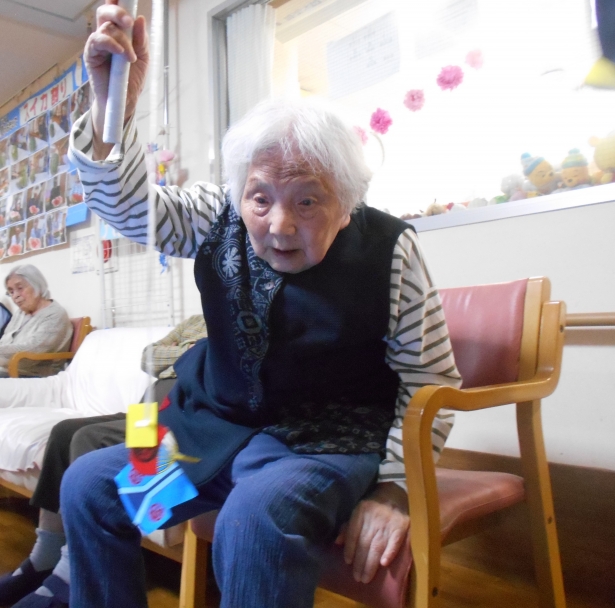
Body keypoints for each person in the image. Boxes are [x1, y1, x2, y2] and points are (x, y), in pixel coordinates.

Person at [58, 3, 462, 608]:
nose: (278, 224)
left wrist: (396, 486)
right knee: (92, 487)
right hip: (208, 433)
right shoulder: (216, 216)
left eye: (307, 201)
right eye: (260, 197)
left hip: (322, 443)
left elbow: (429, 379)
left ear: (348, 202)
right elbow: (129, 210)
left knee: (252, 520)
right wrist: (113, 103)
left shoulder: (390, 250)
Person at [0, 314, 207, 607]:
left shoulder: (234, 324)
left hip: (177, 417)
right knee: (63, 432)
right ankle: (45, 555)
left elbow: (208, 362)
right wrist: (191, 351)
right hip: (145, 411)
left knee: (89, 439)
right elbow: (149, 357)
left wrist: (182, 352)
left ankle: (72, 573)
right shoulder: (196, 321)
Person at [0, 265, 72, 377]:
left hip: (33, 375)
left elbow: (33, 350)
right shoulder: (20, 313)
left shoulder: (55, 314)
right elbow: (4, 341)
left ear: (36, 285)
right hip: (8, 371)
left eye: (20, 288)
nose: (15, 296)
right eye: (11, 292)